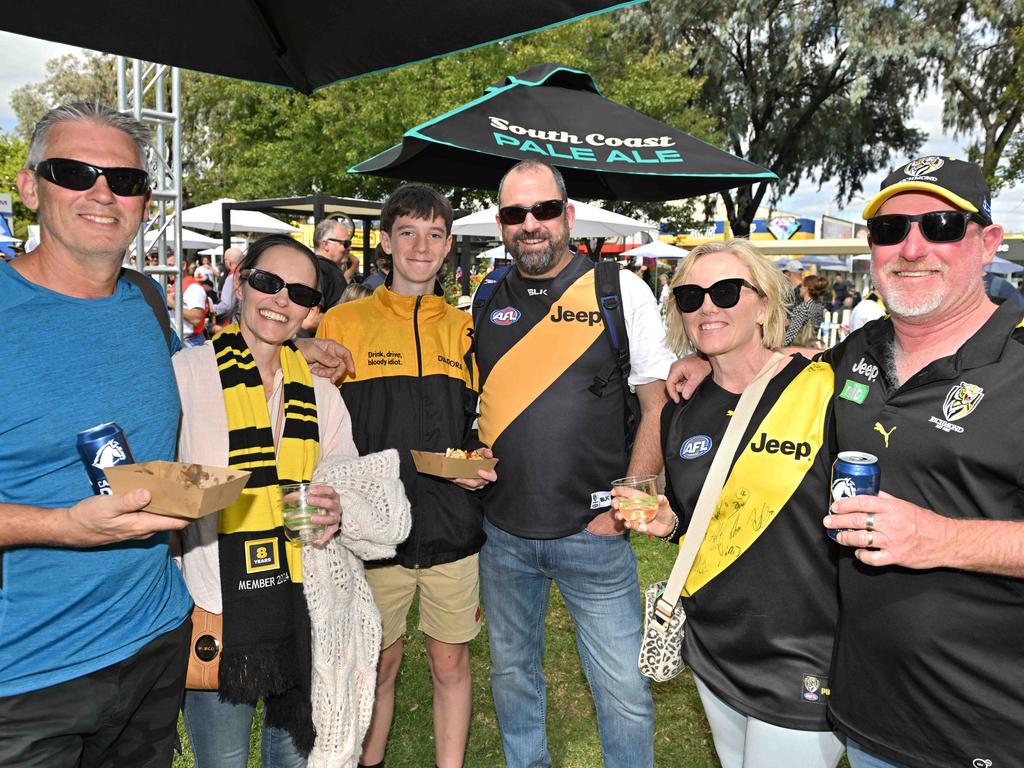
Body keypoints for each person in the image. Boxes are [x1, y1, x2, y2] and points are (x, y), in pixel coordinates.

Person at [668, 155, 1024, 768]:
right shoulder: (855, 355)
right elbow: (773, 368)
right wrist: (712, 358)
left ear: (987, 242)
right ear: (872, 247)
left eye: (939, 225)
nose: (912, 248)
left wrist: (944, 538)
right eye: (890, 231)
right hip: (864, 711)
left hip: (986, 724)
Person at [0, 101, 193, 768]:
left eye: (125, 180)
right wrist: (62, 527)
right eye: (74, 172)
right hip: (26, 678)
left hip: (153, 638)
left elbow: (187, 392)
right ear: (29, 188)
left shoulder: (144, 300)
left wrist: (286, 350)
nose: (103, 193)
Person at [472, 160, 674, 768]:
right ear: (501, 224)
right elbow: (482, 398)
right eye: (514, 214)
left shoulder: (619, 288)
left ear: (568, 214)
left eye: (543, 210)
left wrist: (627, 504)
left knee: (626, 696)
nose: (530, 225)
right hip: (503, 535)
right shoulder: (484, 295)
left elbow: (656, 398)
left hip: (596, 535)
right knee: (512, 684)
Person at [614, 240, 843, 768]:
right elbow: (702, 520)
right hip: (714, 643)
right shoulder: (683, 406)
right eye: (691, 295)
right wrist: (669, 522)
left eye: (725, 291)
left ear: (764, 303)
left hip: (804, 652)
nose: (707, 306)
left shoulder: (822, 388)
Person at [175, 234, 401, 767]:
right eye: (267, 282)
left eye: (298, 292)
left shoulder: (323, 393)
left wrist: (339, 509)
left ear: (310, 308)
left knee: (294, 757)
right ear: (239, 282)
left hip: (305, 605)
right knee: (223, 761)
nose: (281, 299)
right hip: (217, 602)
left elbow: (350, 483)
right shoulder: (184, 376)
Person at [317, 184, 494, 768]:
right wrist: (303, 347)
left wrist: (478, 459)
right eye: (409, 233)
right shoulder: (344, 323)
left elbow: (482, 422)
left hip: (451, 524)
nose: (422, 245)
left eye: (436, 234)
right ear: (387, 243)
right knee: (378, 662)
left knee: (450, 662)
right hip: (372, 532)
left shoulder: (466, 330)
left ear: (449, 248)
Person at [783, 274, 829, 346]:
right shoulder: (819, 307)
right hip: (811, 345)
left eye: (801, 285)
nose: (800, 288)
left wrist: (779, 346)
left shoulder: (803, 308)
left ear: (806, 288)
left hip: (798, 347)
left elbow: (791, 335)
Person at [211, 245, 245, 328]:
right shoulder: (248, 274)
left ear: (229, 262)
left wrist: (212, 308)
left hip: (237, 323)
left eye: (225, 260)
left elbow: (227, 305)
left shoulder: (232, 278)